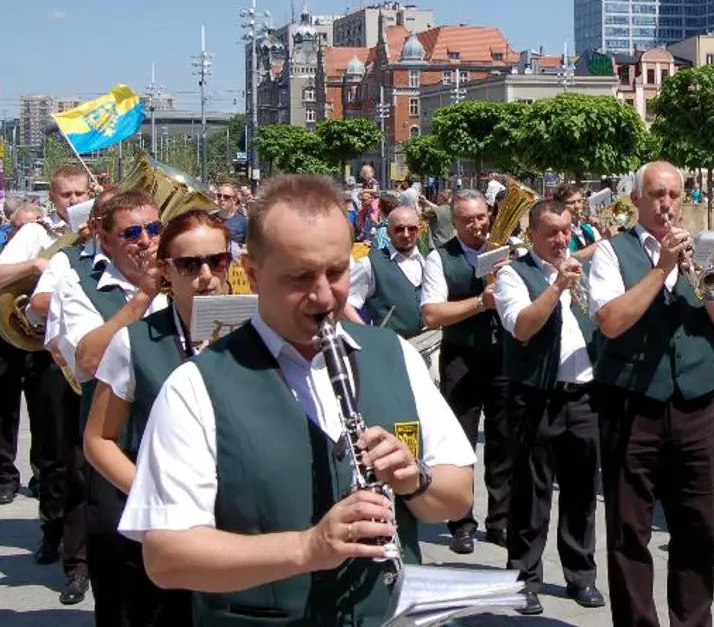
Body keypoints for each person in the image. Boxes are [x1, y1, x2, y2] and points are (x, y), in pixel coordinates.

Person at [115, 175, 476, 625]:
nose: (324, 295)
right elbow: (166, 556)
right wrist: (307, 548)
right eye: (300, 276)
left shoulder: (394, 355)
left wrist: (413, 480)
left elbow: (457, 496)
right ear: (251, 270)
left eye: (337, 272)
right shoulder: (194, 386)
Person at [588, 161, 714, 627]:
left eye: (675, 195)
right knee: (629, 527)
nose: (667, 205)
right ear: (635, 199)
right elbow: (611, 322)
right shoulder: (611, 254)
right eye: (657, 194)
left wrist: (700, 276)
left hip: (695, 405)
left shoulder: (709, 254)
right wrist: (661, 270)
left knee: (697, 525)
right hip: (631, 404)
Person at [82, 210, 234, 626]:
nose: (205, 275)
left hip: (239, 528)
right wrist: (151, 495)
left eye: (216, 261)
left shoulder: (258, 333)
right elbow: (98, 439)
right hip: (164, 528)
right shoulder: (134, 341)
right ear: (167, 270)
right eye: (190, 264)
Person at [49, 189, 170, 624]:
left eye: (154, 229)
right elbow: (87, 359)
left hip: (178, 446)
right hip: (117, 449)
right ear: (104, 237)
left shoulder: (182, 273)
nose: (146, 240)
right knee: (122, 592)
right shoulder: (75, 277)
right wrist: (142, 298)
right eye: (132, 232)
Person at [493, 199, 603, 615]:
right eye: (551, 232)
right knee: (531, 491)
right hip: (536, 394)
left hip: (583, 395)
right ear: (532, 234)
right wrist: (556, 287)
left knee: (580, 492)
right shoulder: (513, 275)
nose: (561, 239)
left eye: (566, 230)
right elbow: (521, 326)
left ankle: (581, 575)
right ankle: (524, 578)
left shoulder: (586, 271)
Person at [0, 163, 92, 605]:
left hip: (96, 359)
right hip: (48, 356)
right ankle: (52, 531)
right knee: (54, 454)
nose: (73, 203)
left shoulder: (101, 233)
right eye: (66, 196)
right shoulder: (38, 235)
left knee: (83, 457)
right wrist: (37, 265)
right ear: (52, 198)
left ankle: (80, 555)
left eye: (80, 194)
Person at [420, 188, 512, 554]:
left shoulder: (506, 250)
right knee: (460, 444)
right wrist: (479, 302)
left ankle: (500, 520)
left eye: (481, 217)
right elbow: (430, 314)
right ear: (454, 223)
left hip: (504, 356)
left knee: (504, 443)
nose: (478, 225)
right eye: (468, 220)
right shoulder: (439, 258)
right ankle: (461, 522)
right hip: (461, 358)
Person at [347, 205, 429, 334]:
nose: (406, 234)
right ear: (388, 232)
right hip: (391, 348)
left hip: (427, 343)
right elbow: (345, 303)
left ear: (418, 230)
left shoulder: (426, 262)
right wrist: (368, 335)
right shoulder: (369, 264)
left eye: (411, 228)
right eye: (399, 229)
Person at [553, 184, 602, 259]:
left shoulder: (589, 228)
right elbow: (570, 258)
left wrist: (600, 228)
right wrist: (604, 240)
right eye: (572, 203)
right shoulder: (557, 233)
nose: (577, 206)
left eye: (579, 201)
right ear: (558, 206)